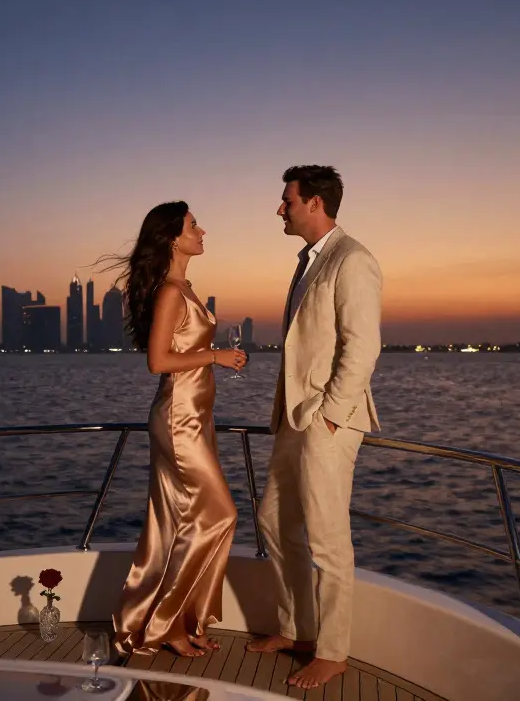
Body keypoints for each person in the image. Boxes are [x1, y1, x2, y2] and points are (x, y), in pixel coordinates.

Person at [247, 166, 383, 689]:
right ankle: (297, 630)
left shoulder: (353, 260)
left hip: (328, 420)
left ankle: (332, 651)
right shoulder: (309, 262)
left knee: (327, 538)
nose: (279, 209)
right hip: (294, 417)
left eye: (286, 200)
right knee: (274, 519)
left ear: (314, 203)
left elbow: (362, 347)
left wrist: (330, 412)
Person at [108, 200, 247, 658]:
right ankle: (168, 623)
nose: (202, 230)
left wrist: (219, 361)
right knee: (220, 514)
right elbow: (158, 362)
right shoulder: (170, 292)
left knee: (179, 522)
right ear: (172, 236)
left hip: (196, 417)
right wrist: (215, 357)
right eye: (193, 225)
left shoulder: (183, 287)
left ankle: (184, 619)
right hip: (178, 420)